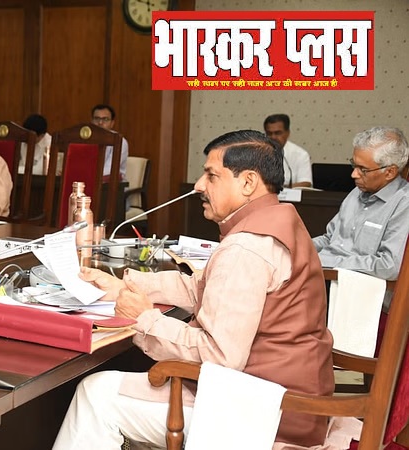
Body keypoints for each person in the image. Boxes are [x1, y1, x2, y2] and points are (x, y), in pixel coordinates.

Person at [53, 130, 334, 449]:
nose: (199, 185)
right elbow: (205, 288)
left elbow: (220, 357)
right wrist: (123, 287)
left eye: (211, 176)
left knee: (96, 394)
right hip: (290, 398)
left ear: (248, 182)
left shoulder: (246, 248)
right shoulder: (279, 220)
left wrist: (145, 319)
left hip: (261, 412)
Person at [313, 126, 409, 283]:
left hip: (358, 288)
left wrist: (328, 261)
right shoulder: (356, 192)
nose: (353, 174)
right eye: (354, 165)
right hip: (326, 277)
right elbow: (330, 239)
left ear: (390, 172)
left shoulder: (404, 203)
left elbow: (389, 266)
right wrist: (298, 249)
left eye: (363, 169)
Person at [263, 114, 312, 188]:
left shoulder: (300, 154)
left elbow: (305, 183)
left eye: (278, 133)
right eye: (269, 133)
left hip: (289, 194)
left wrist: (281, 188)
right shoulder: (257, 152)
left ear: (287, 133)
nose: (273, 137)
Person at [91, 104, 128, 180]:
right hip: (87, 180)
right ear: (91, 121)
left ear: (112, 123)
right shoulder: (86, 140)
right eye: (96, 119)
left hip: (111, 183)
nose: (100, 123)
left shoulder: (119, 141)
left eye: (105, 119)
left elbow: (108, 170)